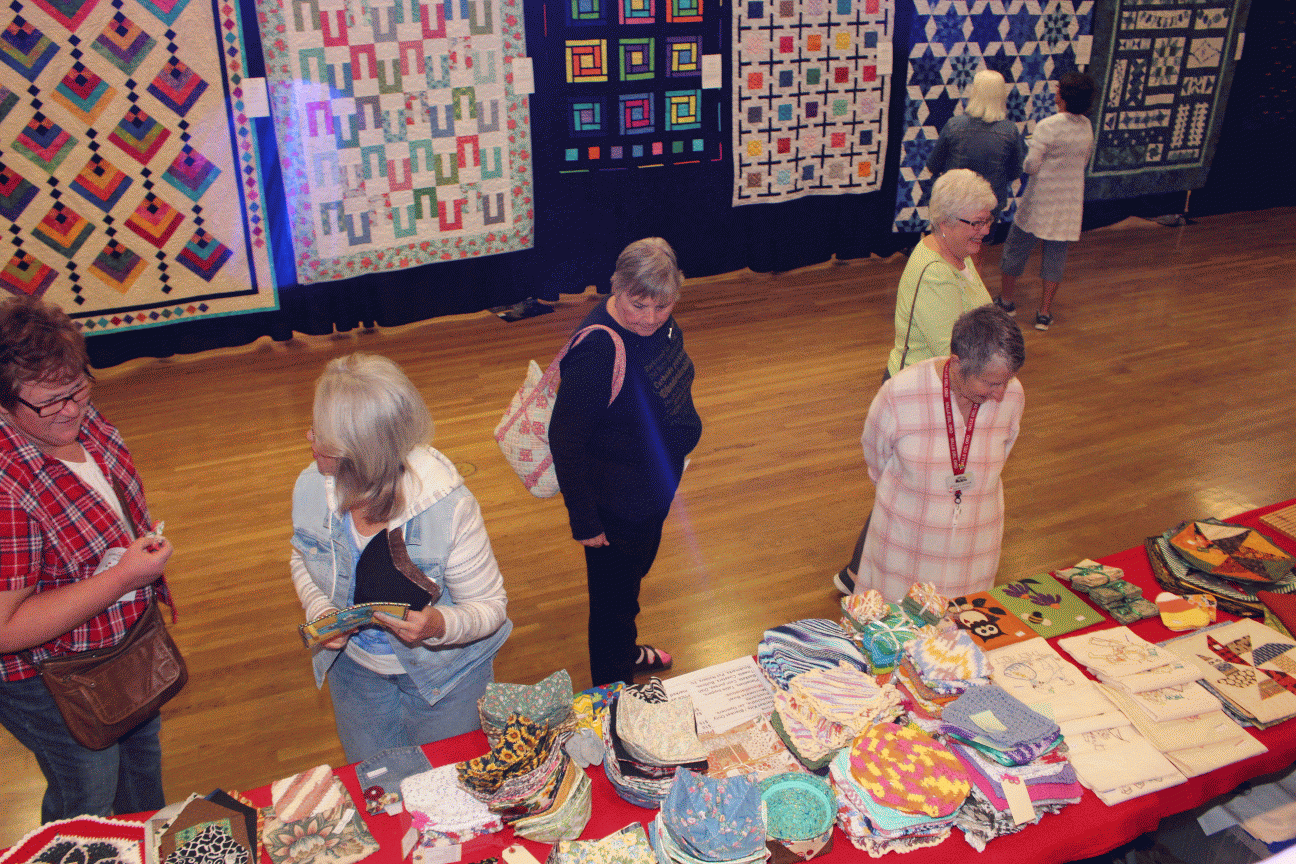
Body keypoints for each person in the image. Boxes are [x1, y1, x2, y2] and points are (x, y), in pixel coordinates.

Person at [0, 295, 175, 823]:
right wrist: (123, 577)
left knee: (142, 778)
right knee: (88, 799)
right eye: (50, 402)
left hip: (122, 647)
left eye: (77, 388)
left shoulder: (79, 419)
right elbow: (5, 629)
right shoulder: (7, 487)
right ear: (5, 404)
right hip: (49, 679)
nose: (72, 409)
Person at [290, 353, 511, 764]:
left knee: (445, 781)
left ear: (361, 452)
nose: (310, 439)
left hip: (447, 681)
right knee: (378, 783)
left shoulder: (448, 507)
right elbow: (302, 558)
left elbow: (490, 607)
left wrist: (438, 624)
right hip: (356, 678)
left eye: (321, 435)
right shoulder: (311, 486)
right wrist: (320, 608)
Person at [832, 170, 998, 594]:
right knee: (905, 488)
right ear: (945, 222)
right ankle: (866, 573)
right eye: (976, 223)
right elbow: (952, 351)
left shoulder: (960, 257)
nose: (984, 231)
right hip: (918, 396)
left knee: (907, 487)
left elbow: (983, 318)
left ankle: (856, 572)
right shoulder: (934, 272)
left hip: (947, 391)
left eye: (987, 220)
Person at [549, 238, 702, 687]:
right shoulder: (598, 351)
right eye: (639, 305)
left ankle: (624, 648)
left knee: (630, 584)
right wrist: (585, 521)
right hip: (615, 508)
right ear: (616, 287)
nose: (650, 318)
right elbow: (565, 440)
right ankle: (613, 693)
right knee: (612, 607)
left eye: (663, 306)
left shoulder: (662, 328)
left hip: (652, 491)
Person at [854, 306, 1024, 600]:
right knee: (897, 624)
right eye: (990, 383)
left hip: (974, 549)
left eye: (1006, 381)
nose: (1000, 394)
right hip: (905, 548)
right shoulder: (899, 393)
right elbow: (876, 458)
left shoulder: (1013, 395)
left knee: (963, 623)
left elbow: (1004, 449)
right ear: (957, 364)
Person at [996, 71, 1097, 331]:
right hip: (1068, 201)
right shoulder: (1086, 125)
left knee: (1016, 247)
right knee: (1055, 256)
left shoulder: (1047, 126)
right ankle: (1044, 313)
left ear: (1063, 95)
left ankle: (1006, 301)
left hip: (1041, 200)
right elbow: (1084, 160)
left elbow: (1031, 166)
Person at [925, 68, 1027, 250]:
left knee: (947, 251)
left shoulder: (955, 125)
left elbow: (933, 164)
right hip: (989, 204)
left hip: (953, 203)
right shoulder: (1010, 131)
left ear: (975, 92)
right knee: (977, 251)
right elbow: (1015, 171)